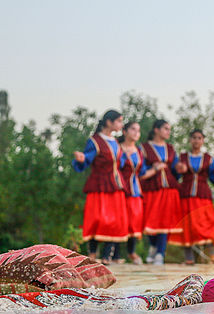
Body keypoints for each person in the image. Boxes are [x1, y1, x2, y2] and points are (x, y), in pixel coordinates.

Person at [72, 110, 130, 263]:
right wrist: (81, 158)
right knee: (97, 219)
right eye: (118, 121)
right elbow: (87, 158)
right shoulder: (95, 141)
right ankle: (92, 255)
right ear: (109, 122)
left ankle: (107, 256)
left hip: (115, 185)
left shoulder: (116, 141)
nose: (121, 125)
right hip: (99, 185)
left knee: (115, 220)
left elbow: (121, 161)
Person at [171, 129, 214, 265]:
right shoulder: (181, 157)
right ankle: (189, 257)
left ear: (203, 140)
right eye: (194, 137)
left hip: (203, 194)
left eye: (199, 138)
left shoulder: (208, 159)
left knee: (207, 222)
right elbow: (175, 175)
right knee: (186, 225)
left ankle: (210, 251)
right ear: (190, 140)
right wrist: (177, 170)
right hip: (186, 194)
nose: (196, 140)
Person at [140, 120, 186, 265]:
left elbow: (174, 169)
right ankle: (153, 245)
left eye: (169, 129)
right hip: (151, 189)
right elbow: (140, 168)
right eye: (166, 129)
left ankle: (160, 253)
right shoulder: (144, 148)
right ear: (156, 130)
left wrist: (180, 168)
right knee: (149, 220)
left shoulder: (170, 149)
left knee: (166, 221)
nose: (168, 132)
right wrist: (153, 168)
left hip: (170, 189)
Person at [116, 121, 155, 265]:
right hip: (120, 188)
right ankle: (115, 254)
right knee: (120, 221)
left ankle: (131, 252)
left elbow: (143, 172)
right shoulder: (117, 148)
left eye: (138, 130)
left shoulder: (139, 151)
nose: (136, 133)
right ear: (125, 131)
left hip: (135, 190)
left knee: (134, 221)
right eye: (133, 129)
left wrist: (156, 169)